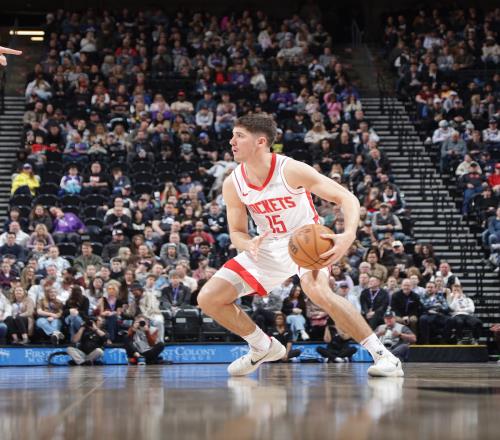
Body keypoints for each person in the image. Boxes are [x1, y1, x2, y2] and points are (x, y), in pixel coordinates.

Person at [197, 114, 403, 377]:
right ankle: (262, 346)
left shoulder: (290, 169)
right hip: (267, 246)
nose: (231, 141)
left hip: (305, 241)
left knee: (318, 291)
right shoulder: (233, 183)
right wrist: (248, 244)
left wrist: (348, 235)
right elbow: (237, 232)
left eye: (239, 136)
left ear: (261, 142)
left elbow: (347, 198)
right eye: (233, 136)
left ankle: (384, 356)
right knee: (209, 298)